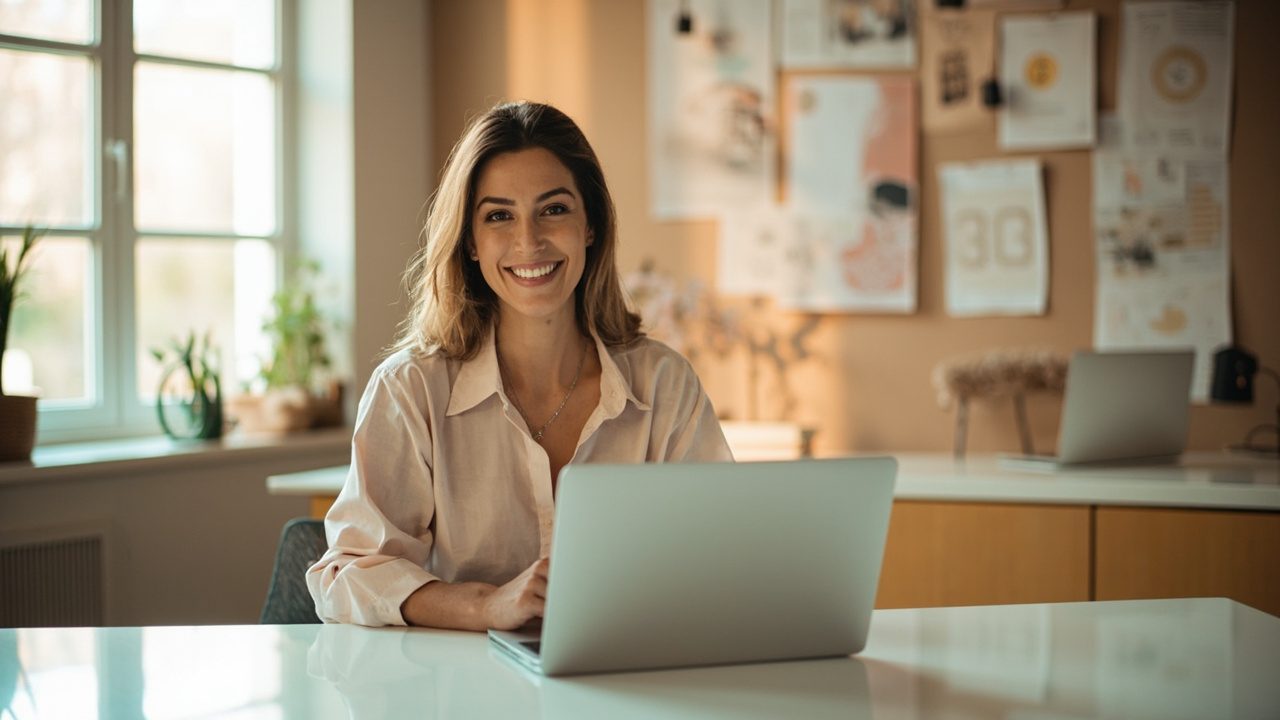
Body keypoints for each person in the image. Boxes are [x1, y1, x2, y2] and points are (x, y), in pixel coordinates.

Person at [306, 101, 733, 630]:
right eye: (499, 216)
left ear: (591, 226)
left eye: (553, 209)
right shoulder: (411, 389)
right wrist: (486, 606)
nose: (529, 242)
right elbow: (348, 575)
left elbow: (723, 557)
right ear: (471, 242)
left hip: (627, 679)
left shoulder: (665, 385)